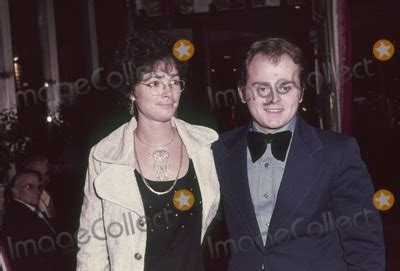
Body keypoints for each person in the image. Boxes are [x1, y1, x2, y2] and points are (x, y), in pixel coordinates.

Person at [211, 38, 385, 270]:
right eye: (261, 88)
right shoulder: (218, 150)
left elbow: (365, 247)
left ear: (301, 93)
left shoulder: (338, 153)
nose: (273, 98)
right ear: (242, 92)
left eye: (285, 87)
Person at [76, 31, 220, 271]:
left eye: (174, 81)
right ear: (131, 91)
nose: (168, 91)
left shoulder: (206, 146)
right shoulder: (104, 156)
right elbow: (92, 246)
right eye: (154, 82)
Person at [1, 170, 57, 271]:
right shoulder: (16, 217)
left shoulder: (31, 210)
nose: (37, 191)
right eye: (29, 187)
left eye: (39, 187)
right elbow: (27, 260)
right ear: (15, 191)